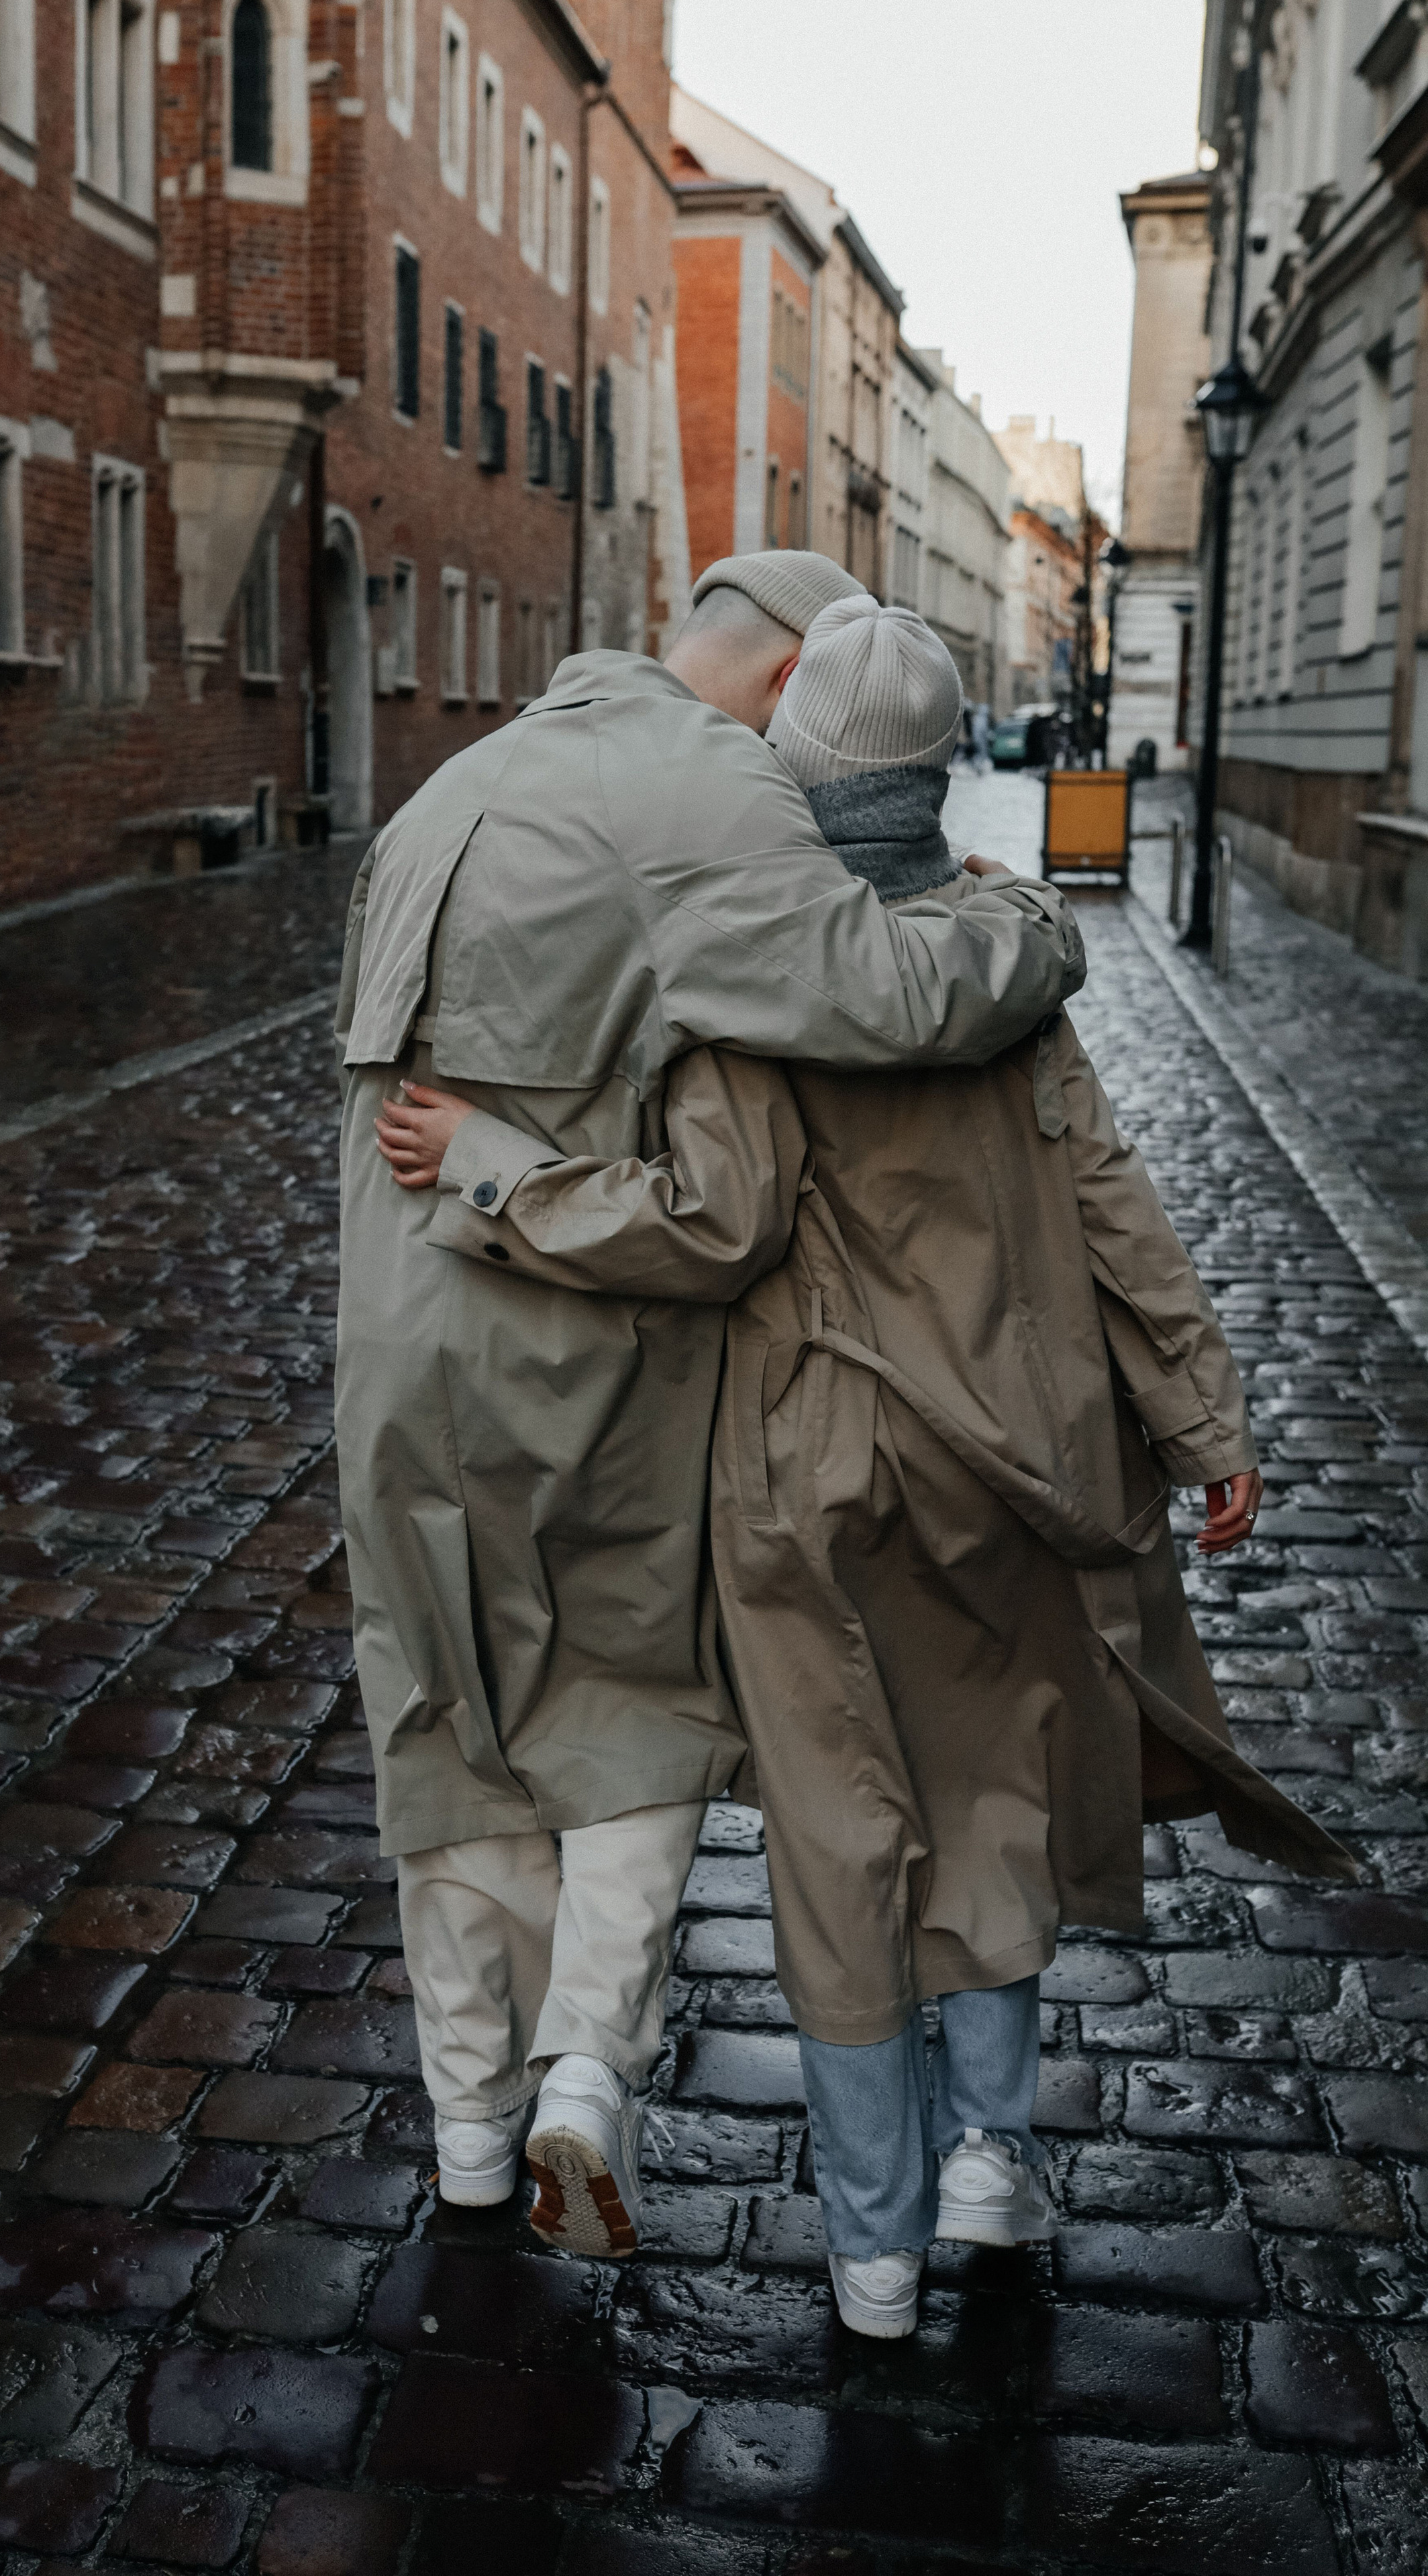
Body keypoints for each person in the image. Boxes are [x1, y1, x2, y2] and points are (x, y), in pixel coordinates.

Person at [374, 596, 1354, 2324]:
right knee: (991, 1814)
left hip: (803, 1481)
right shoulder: (1007, 966)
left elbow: (701, 1226)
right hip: (1016, 1473)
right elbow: (1115, 1209)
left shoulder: (762, 985)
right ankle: (988, 2164)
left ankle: (874, 2256)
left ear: (794, 769)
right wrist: (1200, 1413)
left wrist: (487, 1166)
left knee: (841, 1851)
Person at [335, 552, 1087, 2261]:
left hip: (391, 1339)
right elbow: (893, 996)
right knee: (629, 1702)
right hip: (567, 1327)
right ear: (788, 680)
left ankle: (464, 2134)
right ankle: (583, 2072)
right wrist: (1033, 923)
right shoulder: (709, 788)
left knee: (446, 1722)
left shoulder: (455, 777)